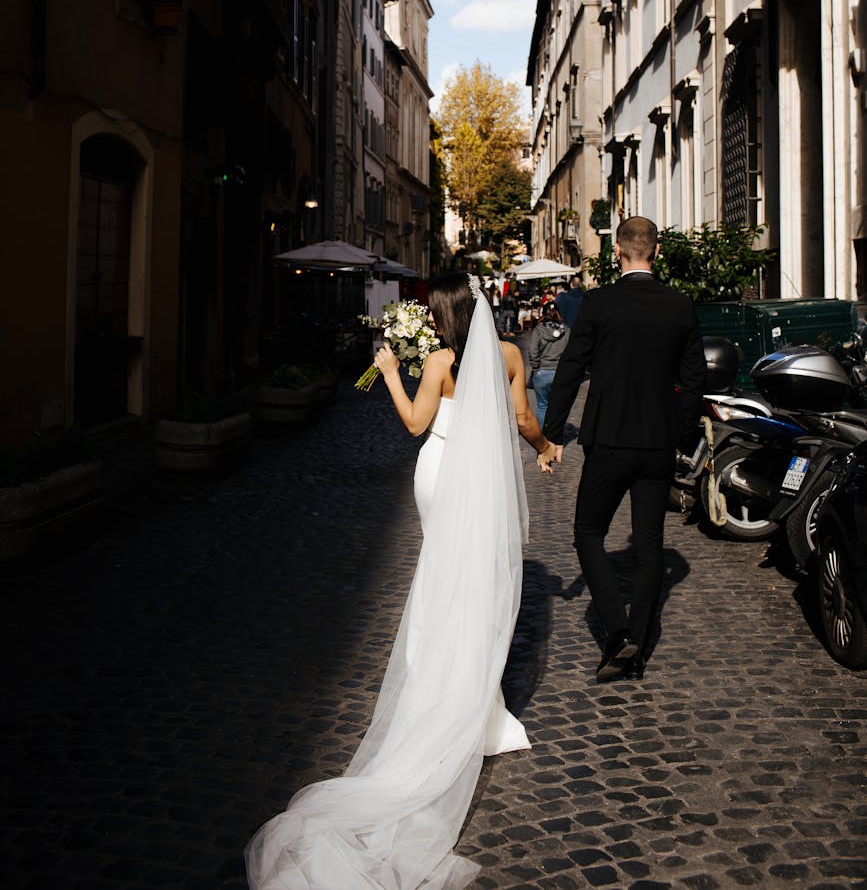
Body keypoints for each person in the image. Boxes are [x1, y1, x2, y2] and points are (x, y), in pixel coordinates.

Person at [246, 272, 558, 890]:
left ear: (440, 314)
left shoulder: (440, 359)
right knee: (478, 580)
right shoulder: (509, 354)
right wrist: (545, 447)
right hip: (485, 479)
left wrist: (389, 368)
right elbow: (522, 416)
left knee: (442, 572)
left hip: (441, 470)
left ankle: (438, 689)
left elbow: (417, 424)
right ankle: (482, 708)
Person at [542, 216, 706, 684]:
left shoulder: (600, 303)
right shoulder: (679, 305)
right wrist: (678, 429)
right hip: (657, 443)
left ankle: (618, 632)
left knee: (588, 532)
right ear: (656, 251)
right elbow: (695, 379)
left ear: (618, 251)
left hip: (609, 439)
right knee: (649, 546)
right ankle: (637, 639)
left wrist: (553, 433)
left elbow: (570, 369)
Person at [527, 302, 569, 428]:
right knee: (557, 407)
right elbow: (571, 351)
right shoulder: (566, 330)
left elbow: (532, 350)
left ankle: (542, 437)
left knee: (542, 406)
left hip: (542, 372)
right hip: (560, 372)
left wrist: (536, 367)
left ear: (543, 313)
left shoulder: (539, 330)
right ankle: (555, 434)